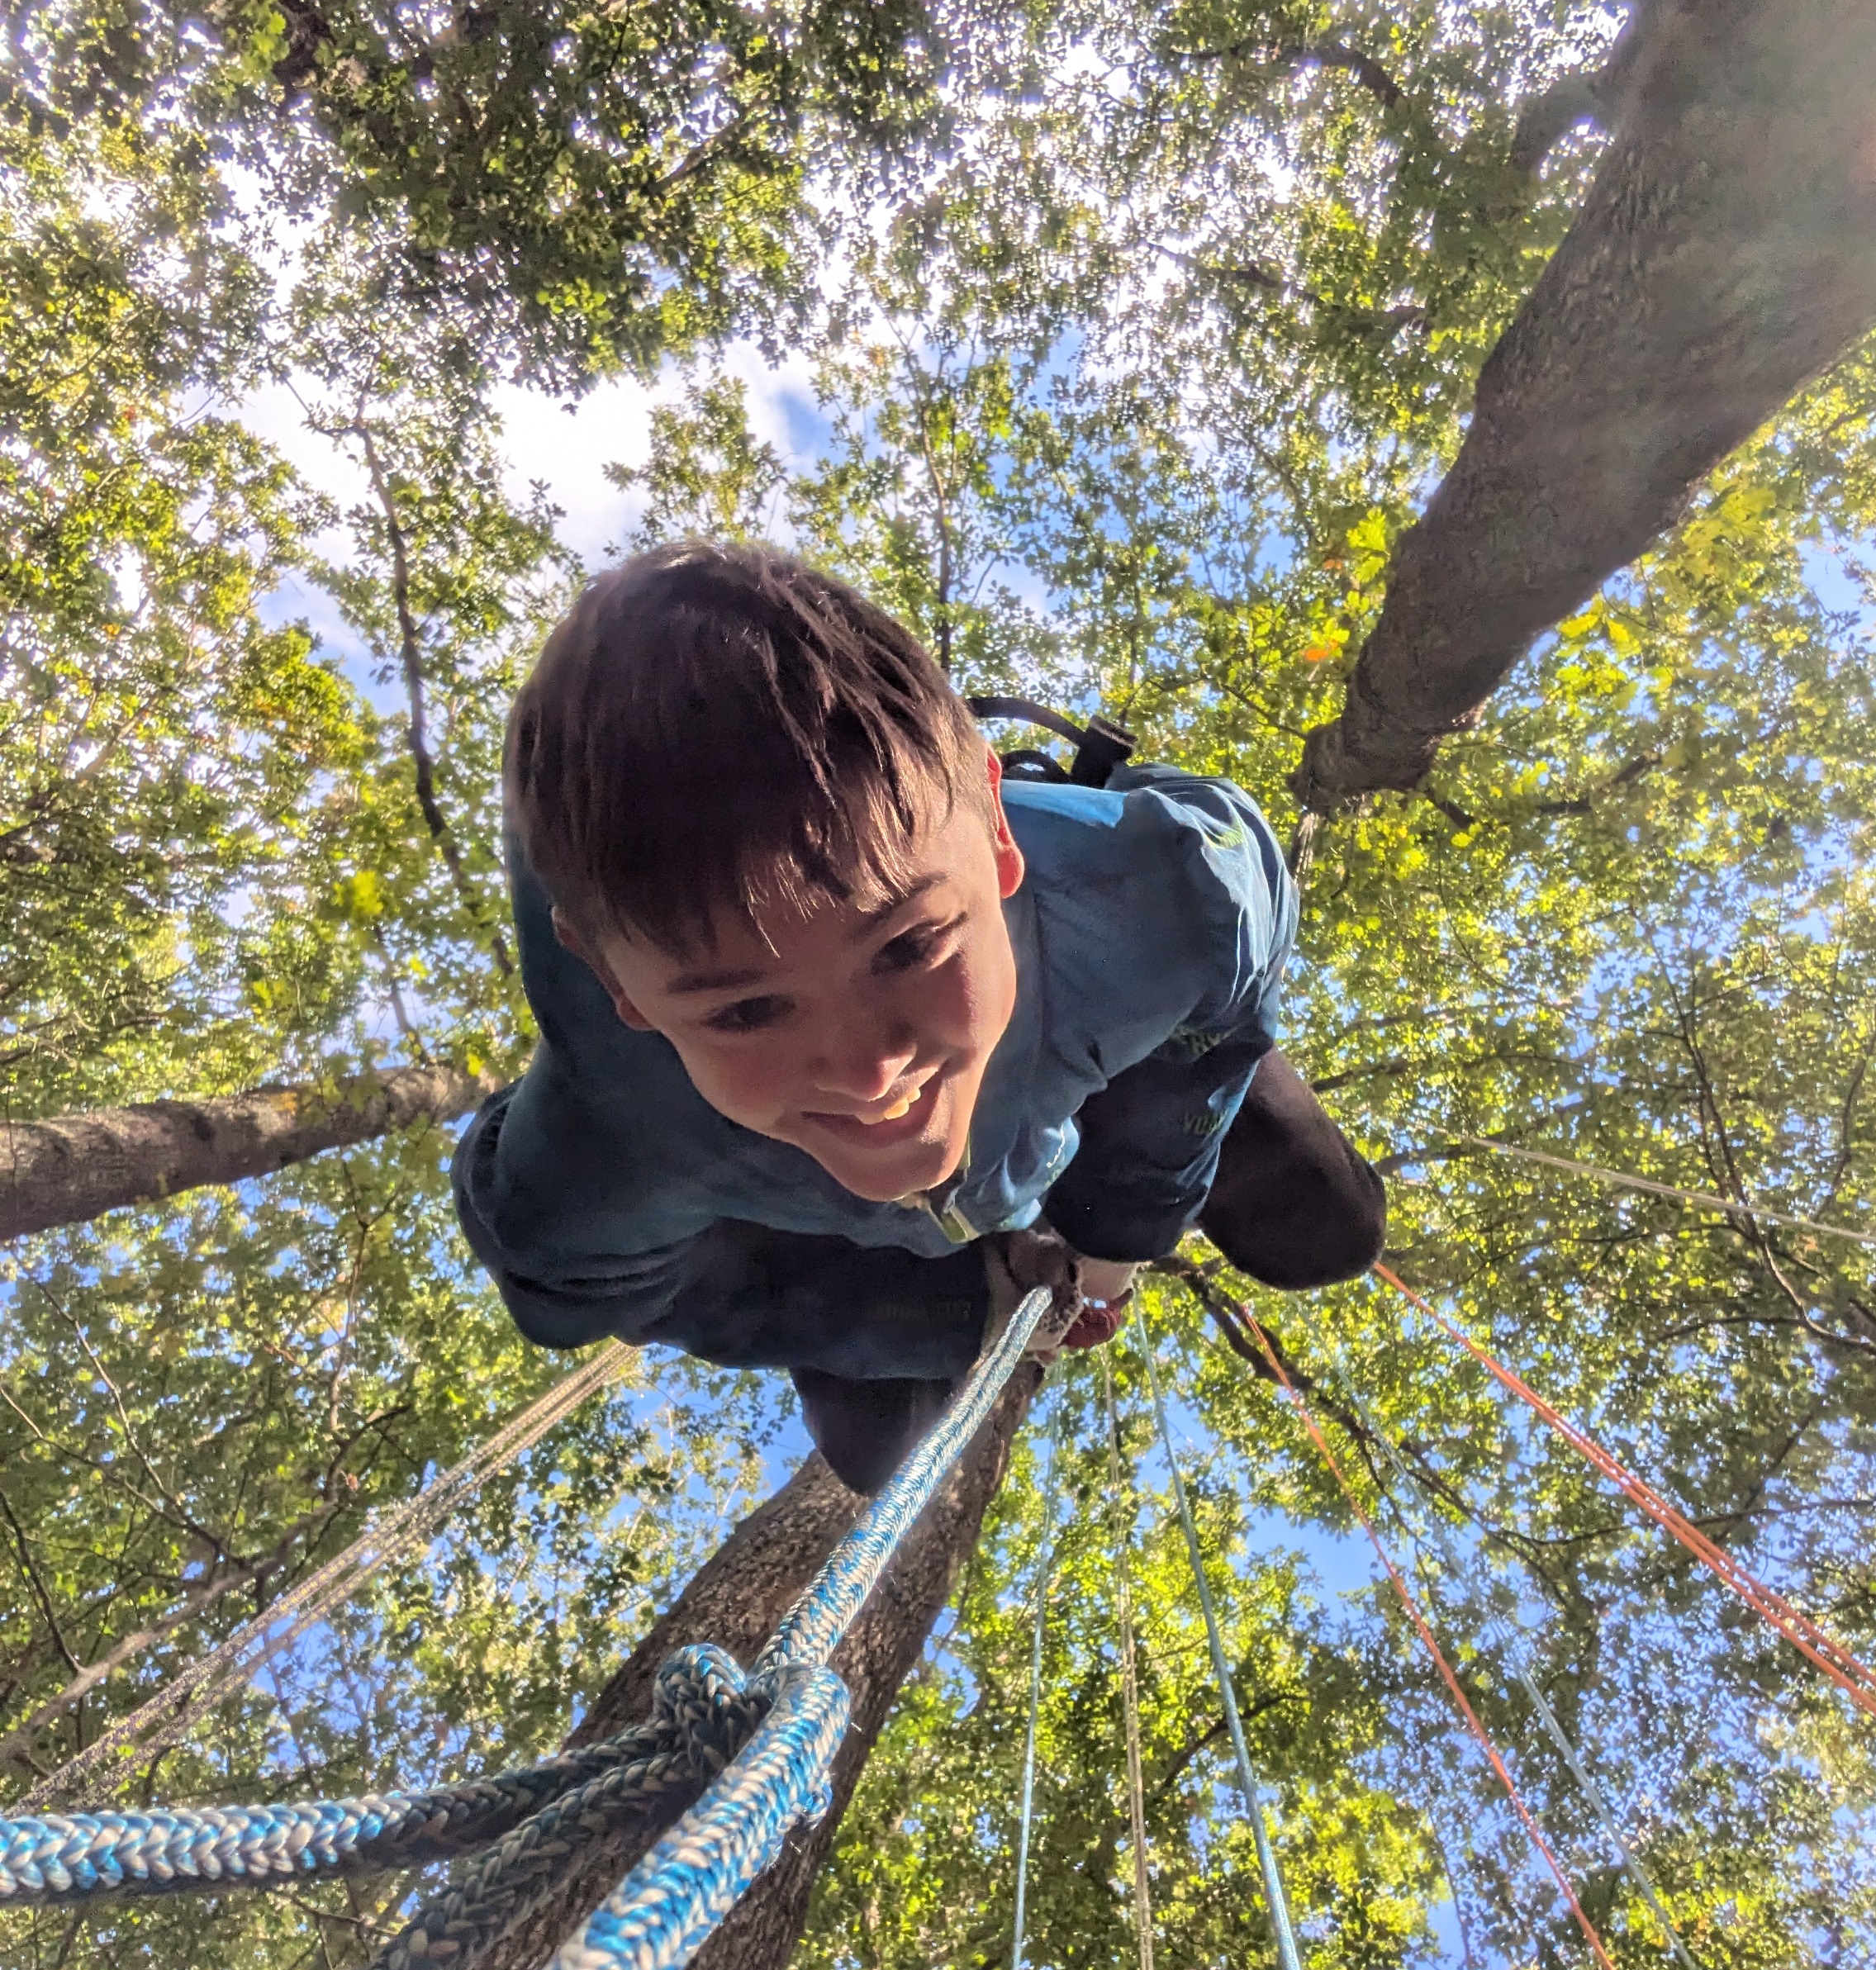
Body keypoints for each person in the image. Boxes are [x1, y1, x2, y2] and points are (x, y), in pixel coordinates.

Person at [454, 542, 1386, 1493]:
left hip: (1085, 1003)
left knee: (1330, 1228)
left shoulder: (1174, 904)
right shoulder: (599, 1164)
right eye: (746, 1010)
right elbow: (567, 1286)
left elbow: (1237, 910)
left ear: (992, 823)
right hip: (833, 1216)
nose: (870, 1076)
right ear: (620, 988)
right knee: (882, 1456)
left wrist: (1123, 1232)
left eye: (905, 946)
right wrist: (953, 1308)